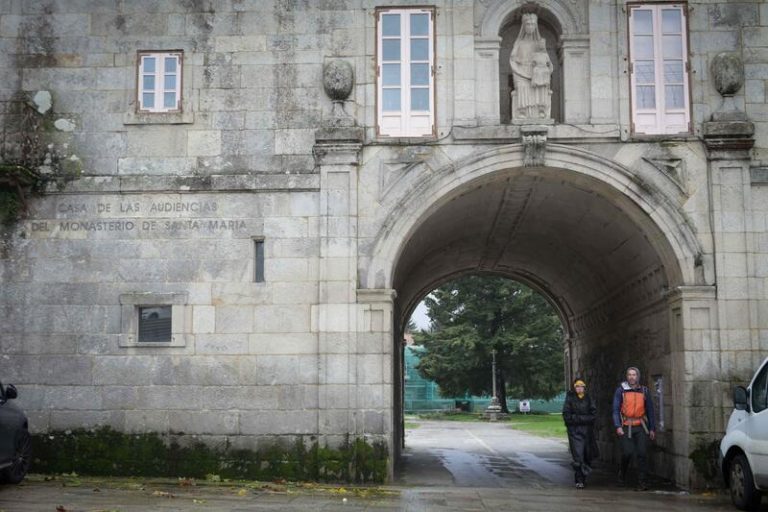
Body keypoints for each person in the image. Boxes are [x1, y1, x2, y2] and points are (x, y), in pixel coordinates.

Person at [612, 366, 656, 490]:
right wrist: (617, 426)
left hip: (641, 426)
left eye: (634, 375)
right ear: (627, 377)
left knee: (642, 454)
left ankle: (642, 482)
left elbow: (650, 410)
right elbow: (615, 410)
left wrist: (652, 428)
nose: (632, 377)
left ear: (638, 376)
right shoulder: (621, 391)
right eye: (629, 375)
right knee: (627, 453)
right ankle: (622, 473)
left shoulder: (644, 391)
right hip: (626, 426)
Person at [509, 13, 553, 120]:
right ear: (523, 26)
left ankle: (541, 110)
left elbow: (547, 61)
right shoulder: (519, 42)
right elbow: (512, 59)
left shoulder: (539, 43)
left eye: (533, 24)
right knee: (522, 86)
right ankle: (522, 111)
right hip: (522, 72)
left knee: (541, 84)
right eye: (528, 24)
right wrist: (519, 72)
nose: (530, 27)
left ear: (536, 26)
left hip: (536, 73)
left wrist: (548, 70)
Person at [562, 378, 597, 489]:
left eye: (581, 386)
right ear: (574, 387)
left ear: (584, 387)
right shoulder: (570, 398)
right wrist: (582, 419)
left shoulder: (588, 398)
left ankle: (583, 477)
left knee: (587, 456)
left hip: (587, 432)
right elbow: (567, 416)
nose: (579, 388)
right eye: (577, 386)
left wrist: (578, 418)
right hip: (575, 432)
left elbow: (593, 415)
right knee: (578, 457)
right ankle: (579, 479)